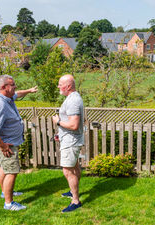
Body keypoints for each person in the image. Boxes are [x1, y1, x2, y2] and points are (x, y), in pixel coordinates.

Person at [0, 74, 38, 211]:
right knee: (12, 171)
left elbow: (18, 94)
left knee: (5, 167)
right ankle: (9, 203)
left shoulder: (7, 97)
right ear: (4, 87)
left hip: (7, 142)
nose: (15, 87)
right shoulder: (0, 104)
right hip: (5, 144)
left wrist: (29, 91)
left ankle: (5, 192)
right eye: (13, 84)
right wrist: (2, 146)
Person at [52, 74, 84, 213]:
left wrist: (58, 121)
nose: (58, 86)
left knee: (68, 171)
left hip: (71, 142)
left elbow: (74, 125)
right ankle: (73, 191)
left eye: (60, 84)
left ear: (68, 86)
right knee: (74, 167)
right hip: (70, 139)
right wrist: (61, 134)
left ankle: (75, 200)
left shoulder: (73, 101)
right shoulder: (72, 98)